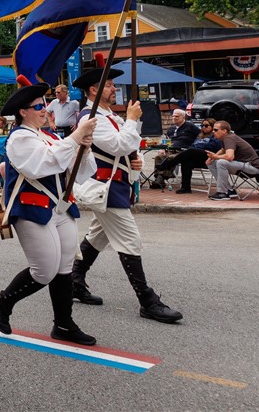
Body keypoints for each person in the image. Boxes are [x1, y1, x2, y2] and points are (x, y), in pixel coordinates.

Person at [0, 79, 98, 345]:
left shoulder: (50, 136)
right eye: (38, 106)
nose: (44, 110)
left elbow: (80, 172)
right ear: (23, 112)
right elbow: (41, 165)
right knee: (44, 270)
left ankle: (64, 324)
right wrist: (74, 138)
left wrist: (84, 147)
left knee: (64, 267)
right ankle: (3, 300)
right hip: (31, 209)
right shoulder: (19, 138)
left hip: (61, 206)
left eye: (45, 105)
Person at [69, 66, 183, 324]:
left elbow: (128, 146)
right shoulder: (92, 117)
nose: (114, 89)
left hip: (115, 185)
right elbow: (118, 144)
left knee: (97, 237)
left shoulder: (109, 115)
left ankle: (75, 281)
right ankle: (147, 300)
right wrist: (131, 119)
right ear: (94, 90)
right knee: (130, 241)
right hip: (105, 188)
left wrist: (135, 159)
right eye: (108, 85)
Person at [160, 118, 222, 194]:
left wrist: (200, 146)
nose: (203, 127)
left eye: (206, 126)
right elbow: (192, 145)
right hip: (199, 158)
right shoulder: (199, 136)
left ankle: (170, 163)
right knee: (186, 161)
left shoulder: (216, 136)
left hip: (211, 158)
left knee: (191, 151)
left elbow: (212, 147)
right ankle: (185, 188)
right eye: (202, 125)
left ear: (213, 127)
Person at [205, 121, 259, 200]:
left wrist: (215, 156)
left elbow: (230, 156)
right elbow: (223, 149)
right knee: (212, 163)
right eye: (213, 129)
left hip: (252, 167)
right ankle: (229, 190)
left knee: (221, 162)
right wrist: (211, 158)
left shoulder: (229, 138)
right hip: (244, 165)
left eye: (216, 130)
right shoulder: (226, 137)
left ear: (224, 131)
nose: (213, 131)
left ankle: (222, 193)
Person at [150, 109, 200, 189]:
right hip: (170, 150)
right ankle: (160, 178)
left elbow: (200, 136)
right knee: (159, 157)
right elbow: (167, 140)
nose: (174, 118)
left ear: (183, 117)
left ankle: (160, 179)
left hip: (183, 151)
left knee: (169, 158)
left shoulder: (190, 126)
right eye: (173, 116)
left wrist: (194, 146)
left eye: (177, 116)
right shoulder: (171, 129)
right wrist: (162, 147)